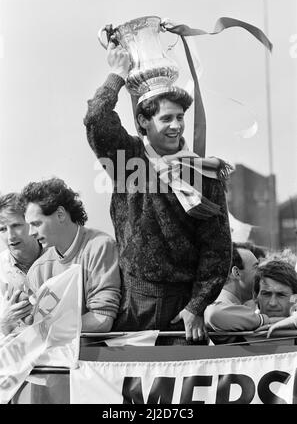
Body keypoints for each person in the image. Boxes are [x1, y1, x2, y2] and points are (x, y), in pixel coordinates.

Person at [83, 41, 232, 343]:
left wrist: (198, 305)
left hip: (184, 310)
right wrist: (117, 74)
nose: (176, 126)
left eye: (180, 117)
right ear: (142, 122)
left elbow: (217, 249)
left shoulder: (203, 171)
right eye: (166, 118)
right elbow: (96, 120)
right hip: (133, 302)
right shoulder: (128, 158)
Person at [20, 177, 121, 332]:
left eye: (36, 223)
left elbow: (102, 319)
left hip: (93, 352)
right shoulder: (37, 269)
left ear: (60, 214)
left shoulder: (100, 246)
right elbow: (31, 326)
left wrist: (48, 329)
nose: (31, 233)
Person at [204, 243, 272, 340]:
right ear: (236, 273)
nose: (261, 274)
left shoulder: (226, 304)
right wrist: (262, 320)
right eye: (256, 267)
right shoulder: (217, 305)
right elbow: (214, 314)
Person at [0, 193, 42, 336]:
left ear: (31, 223)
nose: (10, 236)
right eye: (2, 229)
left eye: (16, 225)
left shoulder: (57, 256)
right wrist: (3, 321)